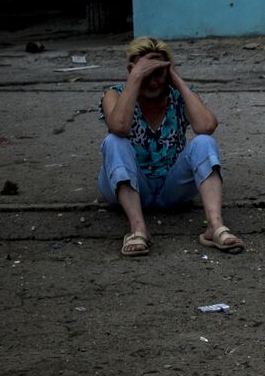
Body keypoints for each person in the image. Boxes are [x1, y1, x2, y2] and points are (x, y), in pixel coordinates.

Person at [99, 36, 244, 257]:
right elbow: (119, 126)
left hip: (171, 187)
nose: (153, 81)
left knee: (205, 143)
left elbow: (206, 126)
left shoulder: (176, 94)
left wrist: (176, 78)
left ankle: (214, 226)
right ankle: (138, 229)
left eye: (158, 73)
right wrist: (136, 77)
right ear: (131, 69)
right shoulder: (115, 93)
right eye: (146, 72)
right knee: (113, 141)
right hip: (131, 184)